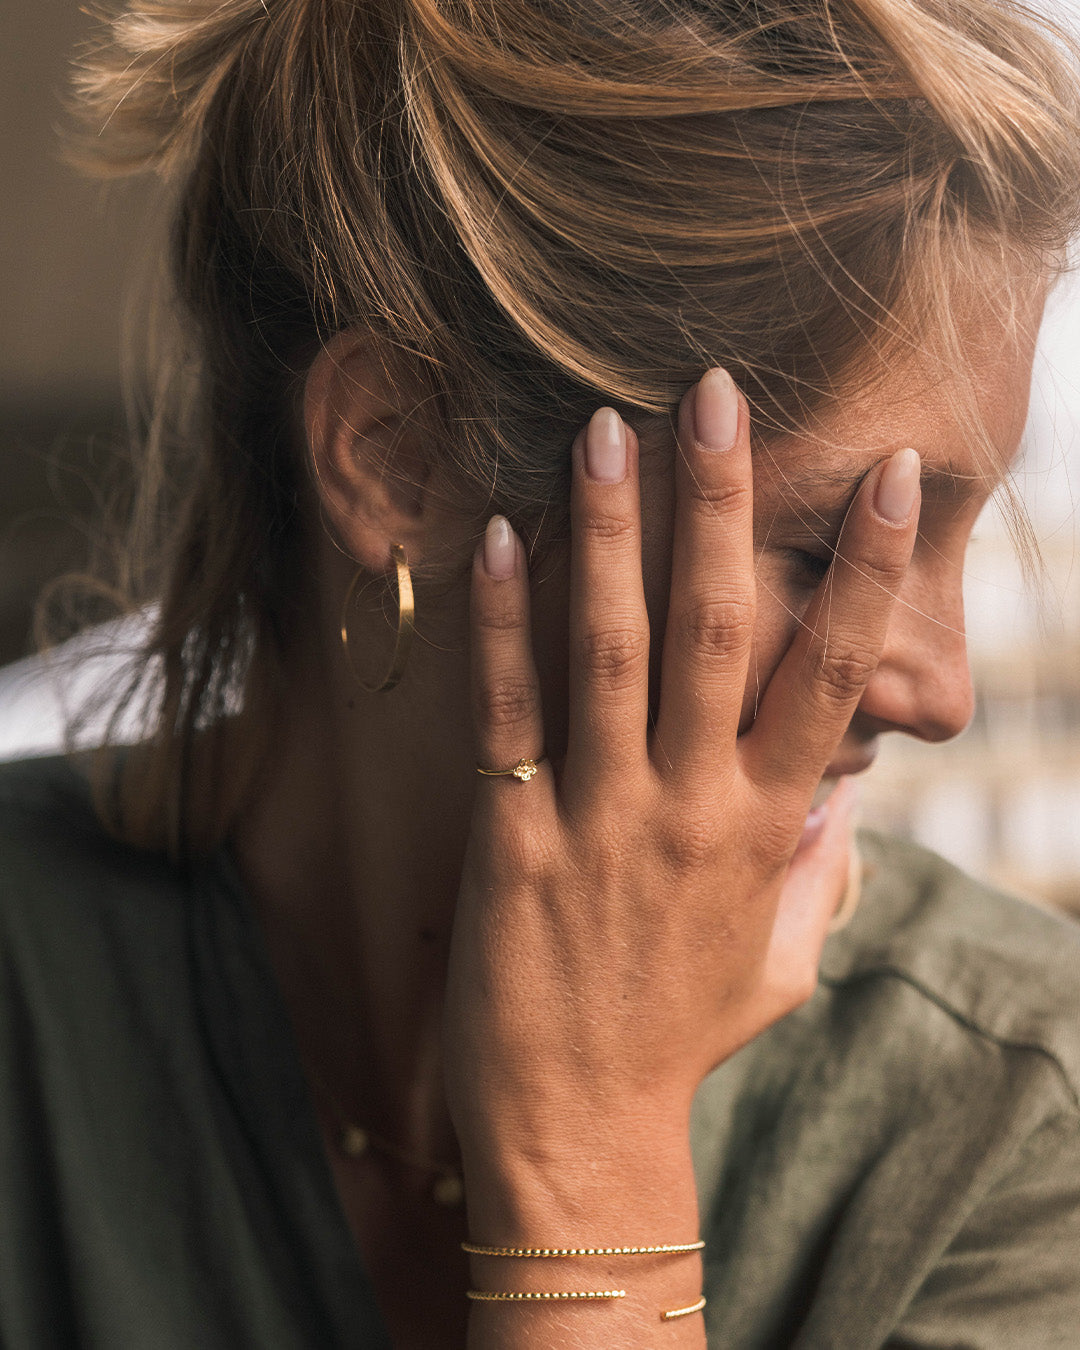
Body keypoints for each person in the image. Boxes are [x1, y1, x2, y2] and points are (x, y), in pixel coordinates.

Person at [3, 0, 1080, 1345]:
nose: (941, 693)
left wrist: (589, 1158)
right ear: (400, 457)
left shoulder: (1014, 1108)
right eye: (826, 550)